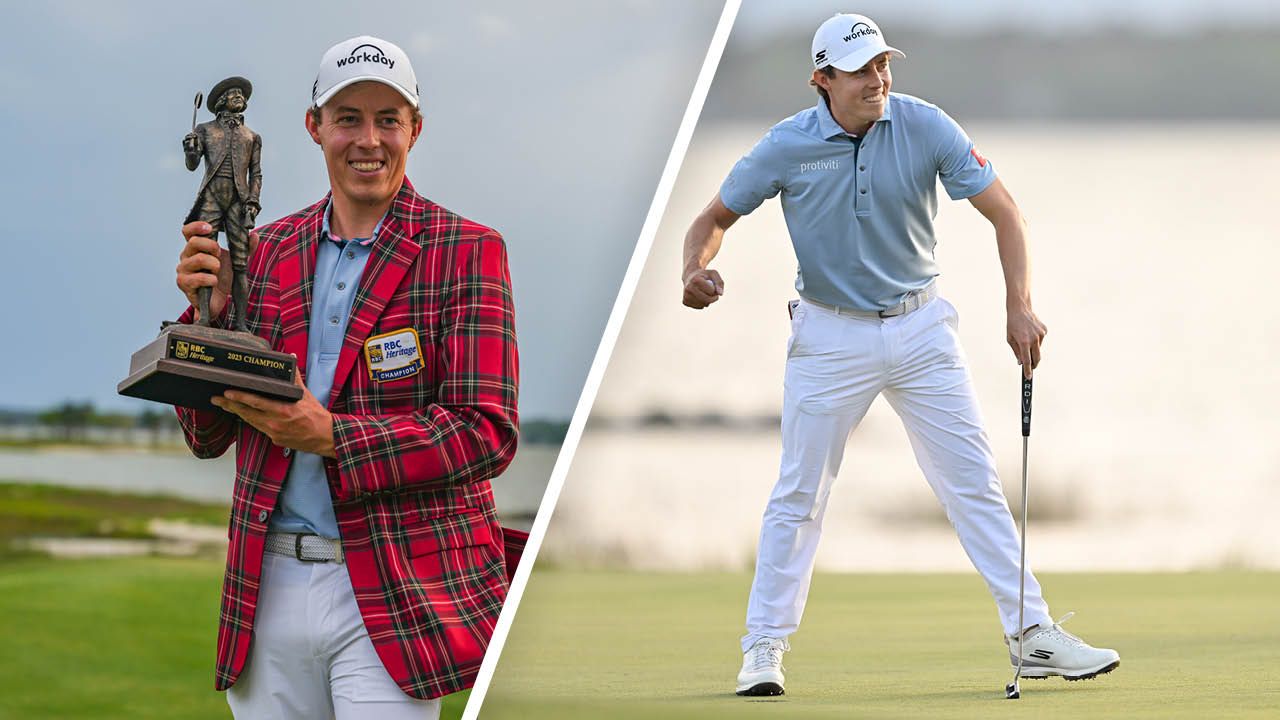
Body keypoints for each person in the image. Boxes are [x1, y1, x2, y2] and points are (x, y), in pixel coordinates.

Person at [680, 14, 1119, 697]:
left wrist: (1019, 304)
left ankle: (1032, 635)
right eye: (859, 70)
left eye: (883, 64)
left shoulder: (924, 125)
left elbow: (1006, 213)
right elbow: (710, 222)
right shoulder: (786, 146)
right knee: (800, 494)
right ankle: (763, 648)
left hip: (920, 330)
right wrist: (693, 271)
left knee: (972, 483)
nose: (876, 79)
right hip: (828, 336)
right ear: (822, 80)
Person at [173, 35, 519, 719]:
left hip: (395, 591)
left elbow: (486, 434)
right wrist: (203, 316)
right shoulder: (264, 250)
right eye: (349, 118)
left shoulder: (468, 250)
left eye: (388, 119)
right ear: (315, 127)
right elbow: (206, 434)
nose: (369, 139)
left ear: (414, 130)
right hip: (265, 586)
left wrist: (332, 436)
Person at [183, 76, 262, 331]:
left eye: (242, 94)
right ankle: (204, 317)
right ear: (220, 103)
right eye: (233, 93)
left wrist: (253, 202)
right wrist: (191, 150)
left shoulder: (252, 136)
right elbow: (192, 165)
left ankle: (241, 324)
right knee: (206, 256)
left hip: (238, 202)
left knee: (240, 265)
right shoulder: (205, 130)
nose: (239, 96)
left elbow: (256, 174)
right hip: (211, 198)